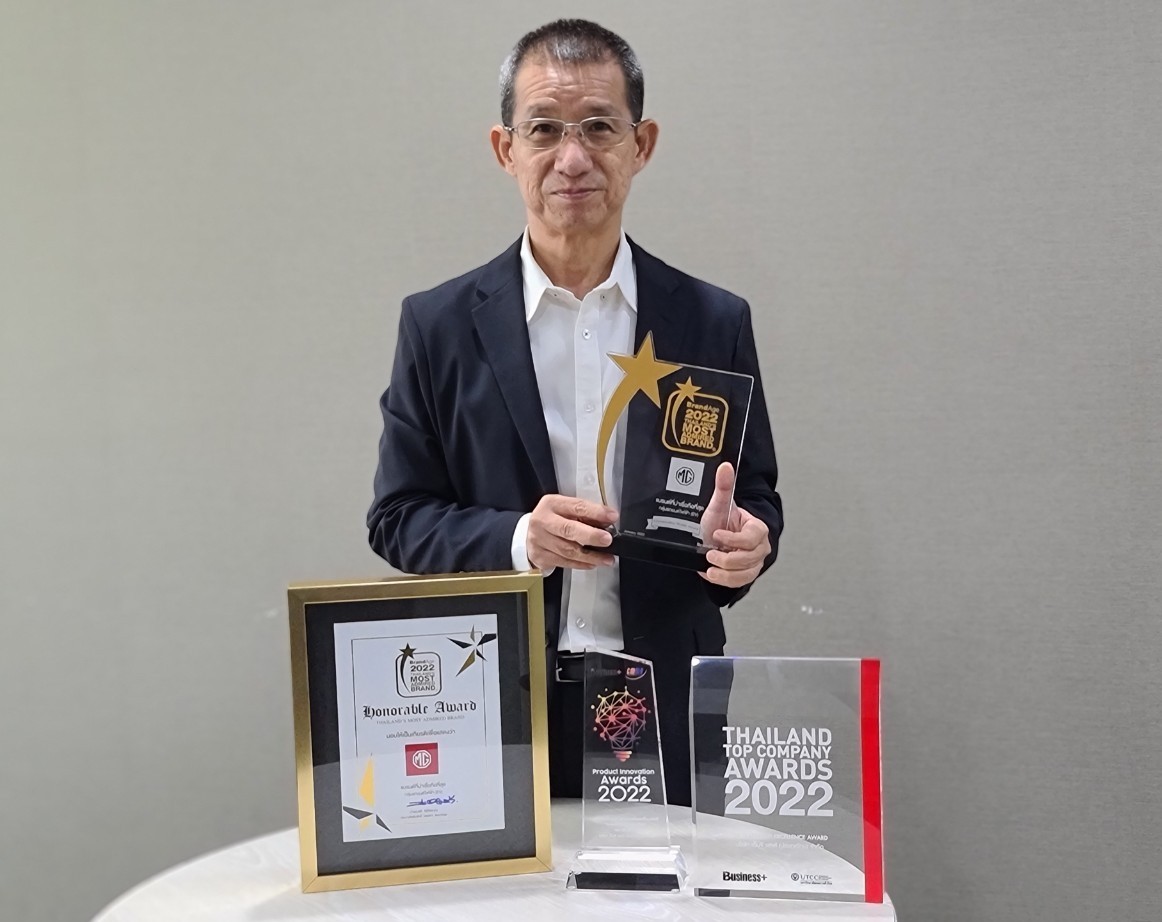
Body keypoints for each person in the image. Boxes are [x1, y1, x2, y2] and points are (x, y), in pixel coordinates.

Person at [367, 18, 782, 806]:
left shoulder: (712, 320)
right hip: (493, 697)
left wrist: (748, 547)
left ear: (641, 144)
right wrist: (520, 538)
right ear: (505, 149)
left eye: (598, 127)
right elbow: (398, 518)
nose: (573, 157)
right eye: (544, 130)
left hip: (666, 684)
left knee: (673, 881)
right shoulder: (440, 326)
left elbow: (755, 498)